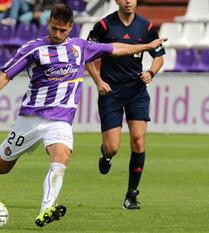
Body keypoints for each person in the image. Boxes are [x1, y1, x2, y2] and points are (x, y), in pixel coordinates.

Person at [0, 3, 166, 227]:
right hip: (30, 119)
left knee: (61, 157)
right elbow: (6, 76)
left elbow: (116, 48)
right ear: (48, 25)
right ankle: (7, 149)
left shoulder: (80, 47)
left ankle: (46, 209)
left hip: (60, 119)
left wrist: (147, 46)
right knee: (2, 168)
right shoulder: (34, 49)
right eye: (54, 29)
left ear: (71, 27)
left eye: (62, 30)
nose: (57, 34)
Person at [86, 0, 165, 209]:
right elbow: (88, 56)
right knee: (113, 148)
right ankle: (106, 154)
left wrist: (150, 72)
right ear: (116, 1)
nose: (128, 1)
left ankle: (131, 195)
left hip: (136, 90)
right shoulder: (104, 26)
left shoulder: (146, 27)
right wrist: (98, 81)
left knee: (138, 141)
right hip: (110, 92)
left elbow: (159, 56)